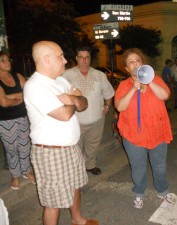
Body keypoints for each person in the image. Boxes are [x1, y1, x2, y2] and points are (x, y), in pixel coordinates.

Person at [23, 41, 99, 225]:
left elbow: (84, 103)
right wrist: (74, 99)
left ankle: (77, 219)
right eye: (60, 57)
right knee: (53, 201)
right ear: (47, 59)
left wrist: (71, 99)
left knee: (75, 186)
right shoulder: (35, 86)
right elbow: (64, 114)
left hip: (71, 147)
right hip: (51, 152)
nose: (65, 60)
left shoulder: (60, 80)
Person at [115, 48, 175, 209]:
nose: (134, 63)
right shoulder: (124, 85)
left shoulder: (156, 79)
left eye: (137, 60)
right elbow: (120, 107)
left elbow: (165, 95)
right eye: (130, 62)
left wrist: (149, 82)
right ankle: (139, 193)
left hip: (157, 133)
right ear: (127, 68)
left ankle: (162, 191)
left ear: (143, 63)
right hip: (133, 135)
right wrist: (133, 88)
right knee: (138, 167)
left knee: (160, 165)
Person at [63, 46, 115, 176]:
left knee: (93, 145)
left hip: (97, 119)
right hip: (75, 121)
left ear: (90, 59)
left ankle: (90, 165)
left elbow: (108, 93)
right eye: (81, 57)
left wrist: (107, 106)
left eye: (87, 57)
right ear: (76, 58)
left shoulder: (100, 75)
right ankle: (77, 169)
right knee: (76, 147)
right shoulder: (66, 75)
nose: (84, 60)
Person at [0, 51, 35, 190]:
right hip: (5, 121)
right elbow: (3, 103)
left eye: (8, 60)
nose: (7, 62)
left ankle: (27, 171)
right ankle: (15, 175)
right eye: (3, 60)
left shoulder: (18, 76)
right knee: (11, 149)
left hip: (23, 117)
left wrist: (11, 96)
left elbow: (29, 93)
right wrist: (20, 97)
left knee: (25, 146)